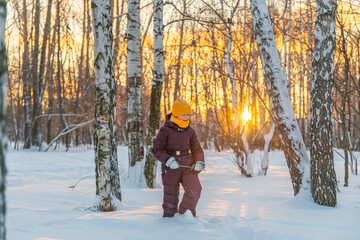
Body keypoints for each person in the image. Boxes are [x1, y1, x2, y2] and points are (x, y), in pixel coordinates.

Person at [152, 99, 205, 217]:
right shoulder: (165, 130)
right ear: (176, 114)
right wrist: (168, 160)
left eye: (188, 114)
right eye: (183, 114)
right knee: (170, 201)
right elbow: (156, 149)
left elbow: (196, 148)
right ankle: (169, 222)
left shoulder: (190, 131)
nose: (186, 117)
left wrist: (199, 162)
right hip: (170, 168)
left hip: (188, 166)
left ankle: (185, 216)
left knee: (195, 190)